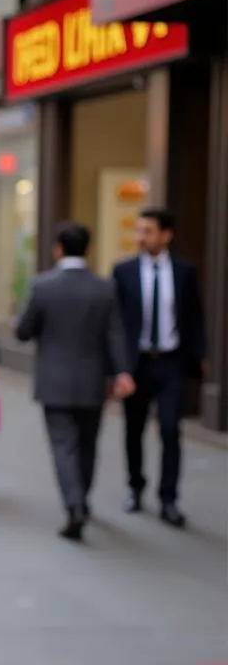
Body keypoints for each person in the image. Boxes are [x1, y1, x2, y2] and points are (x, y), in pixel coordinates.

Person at [15, 222, 135, 539]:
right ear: (89, 249)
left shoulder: (43, 286)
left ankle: (74, 505)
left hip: (54, 381)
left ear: (58, 249)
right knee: (87, 446)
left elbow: (22, 331)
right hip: (93, 380)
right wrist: (122, 372)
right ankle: (82, 499)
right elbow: (115, 333)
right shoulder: (104, 287)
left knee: (63, 446)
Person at [113, 208, 206, 527]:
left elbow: (194, 317)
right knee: (133, 430)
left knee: (170, 429)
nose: (141, 236)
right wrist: (118, 367)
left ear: (166, 235)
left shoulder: (184, 271)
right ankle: (135, 488)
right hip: (136, 364)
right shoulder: (123, 271)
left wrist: (200, 355)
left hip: (171, 363)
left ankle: (169, 499)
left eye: (148, 231)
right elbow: (117, 323)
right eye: (139, 230)